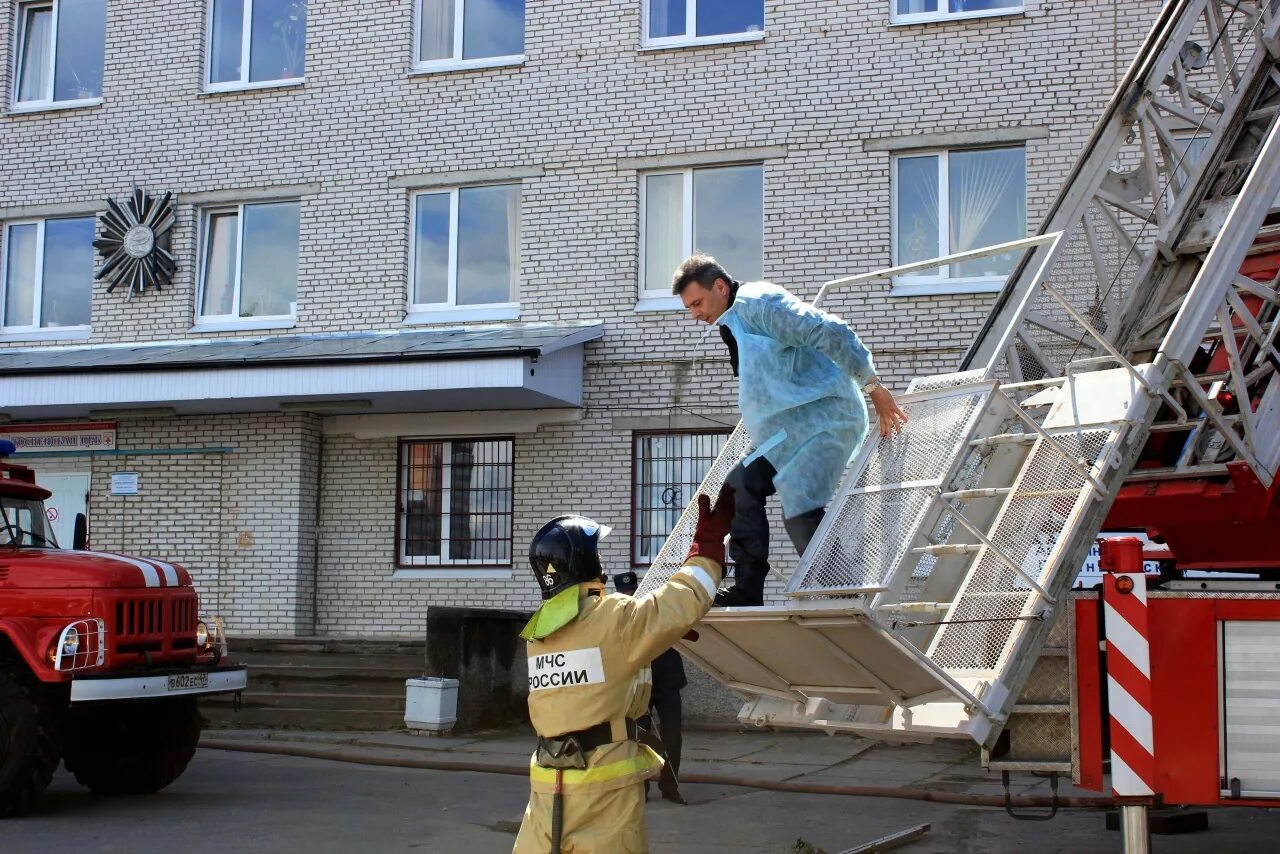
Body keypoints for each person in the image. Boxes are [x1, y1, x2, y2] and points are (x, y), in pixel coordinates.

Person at [672, 254, 908, 607]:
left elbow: (830, 331)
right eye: (690, 307)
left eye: (697, 303)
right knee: (740, 484)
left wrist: (873, 387)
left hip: (826, 418)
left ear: (720, 287)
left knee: (799, 499)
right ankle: (747, 590)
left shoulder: (762, 305)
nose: (695, 314)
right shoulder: (731, 322)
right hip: (788, 429)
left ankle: (839, 590)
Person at [513, 488, 734, 854]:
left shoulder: (538, 633)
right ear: (585, 561)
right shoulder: (613, 617)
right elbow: (685, 598)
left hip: (547, 790)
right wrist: (707, 546)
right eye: (596, 552)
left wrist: (656, 634)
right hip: (604, 796)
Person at [613, 571, 688, 806]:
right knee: (639, 738)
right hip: (638, 687)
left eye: (633, 592)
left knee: (672, 735)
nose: (630, 597)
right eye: (625, 594)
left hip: (667, 682)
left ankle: (669, 786)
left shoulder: (654, 608)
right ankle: (641, 787)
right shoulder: (616, 618)